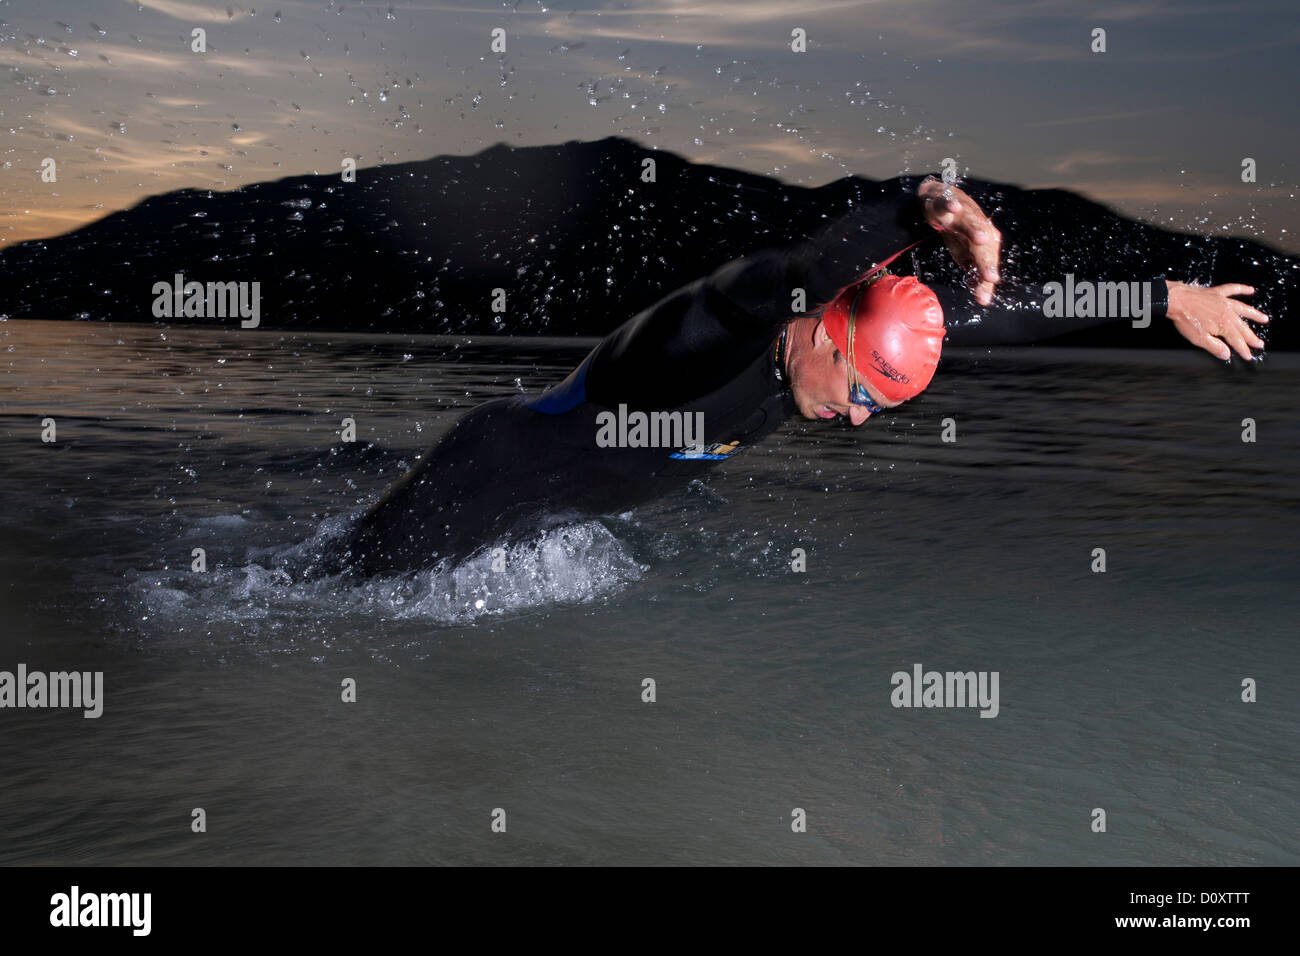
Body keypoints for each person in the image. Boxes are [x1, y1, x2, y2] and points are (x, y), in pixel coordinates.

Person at [340, 175, 1269, 575]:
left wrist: (1163, 294)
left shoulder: (847, 352)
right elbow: (805, 264)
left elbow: (1014, 321)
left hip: (544, 517)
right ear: (825, 333)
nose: (861, 422)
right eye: (864, 394)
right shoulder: (717, 329)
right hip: (480, 485)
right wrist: (926, 206)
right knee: (334, 601)